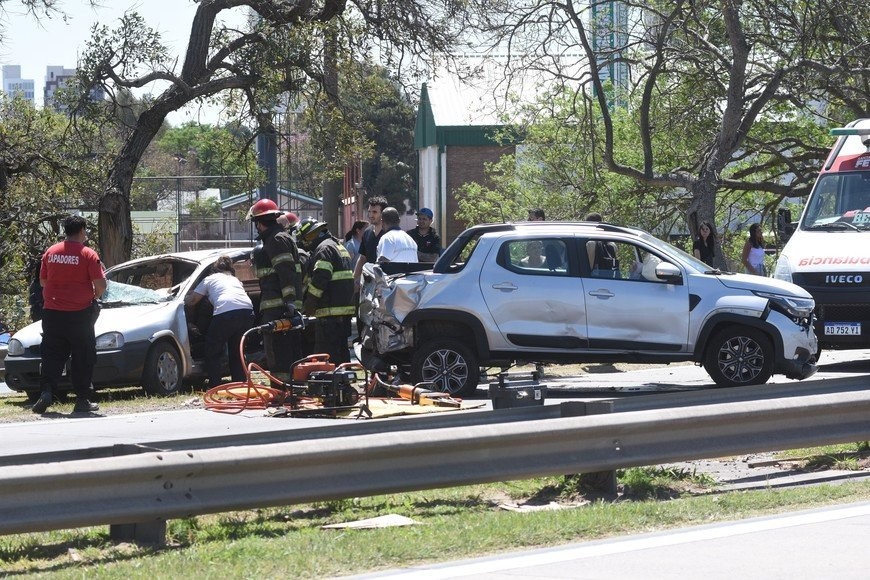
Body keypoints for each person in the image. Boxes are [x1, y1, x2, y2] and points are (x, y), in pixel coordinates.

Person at [32, 215, 106, 414]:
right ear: (81, 231)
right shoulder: (88, 254)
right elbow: (101, 285)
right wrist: (92, 296)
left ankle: (46, 392)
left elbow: (43, 282)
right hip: (79, 314)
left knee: (52, 355)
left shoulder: (51, 252)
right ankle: (82, 400)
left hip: (52, 313)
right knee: (83, 356)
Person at [246, 199, 304, 381]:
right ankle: (287, 389)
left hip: (278, 307)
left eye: (256, 223)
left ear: (260, 223)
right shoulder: (277, 238)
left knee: (278, 352)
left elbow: (285, 272)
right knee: (281, 350)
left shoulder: (276, 239)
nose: (256, 227)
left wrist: (289, 302)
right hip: (280, 305)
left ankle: (282, 391)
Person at [184, 256, 255, 387]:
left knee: (212, 350)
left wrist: (181, 300)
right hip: (247, 313)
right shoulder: (235, 280)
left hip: (226, 313)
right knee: (236, 351)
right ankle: (240, 385)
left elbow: (193, 301)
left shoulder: (209, 279)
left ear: (214, 270)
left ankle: (216, 386)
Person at [298, 218, 355, 364]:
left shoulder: (323, 249)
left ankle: (330, 384)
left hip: (330, 312)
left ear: (311, 236)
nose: (305, 244)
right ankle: (343, 383)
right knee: (341, 351)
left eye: (305, 239)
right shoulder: (338, 246)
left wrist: (309, 303)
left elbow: (320, 278)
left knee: (326, 354)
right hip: (344, 312)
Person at [352, 195, 389, 292]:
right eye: (369, 211)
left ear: (383, 214)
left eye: (375, 212)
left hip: (386, 284)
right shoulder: (367, 232)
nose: (370, 215)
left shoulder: (390, 234)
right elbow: (362, 258)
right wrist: (355, 280)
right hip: (368, 284)